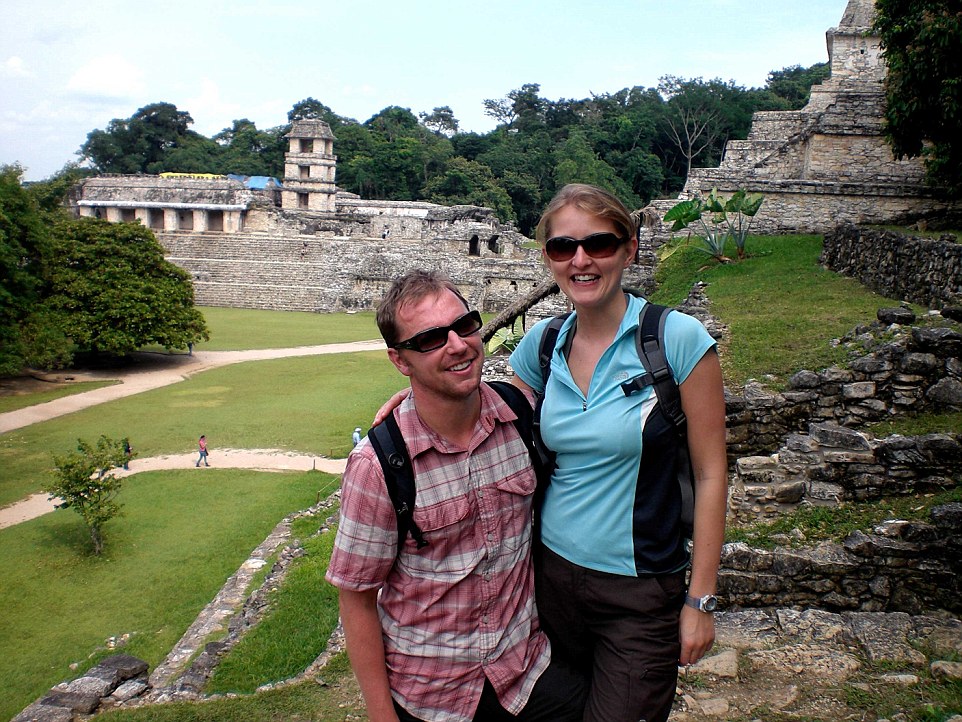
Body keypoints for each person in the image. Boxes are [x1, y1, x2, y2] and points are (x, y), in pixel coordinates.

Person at [507, 183, 729, 722]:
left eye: (599, 244)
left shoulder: (675, 340)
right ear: (548, 257)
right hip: (549, 579)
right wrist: (414, 402)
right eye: (563, 247)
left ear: (629, 249)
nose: (581, 260)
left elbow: (711, 474)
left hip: (639, 592)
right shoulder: (544, 344)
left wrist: (700, 600)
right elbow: (488, 415)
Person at [325, 270, 586, 722]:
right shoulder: (378, 465)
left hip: (524, 672)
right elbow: (356, 597)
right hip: (431, 694)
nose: (458, 345)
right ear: (400, 361)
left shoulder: (520, 416)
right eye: (429, 339)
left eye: (464, 326)